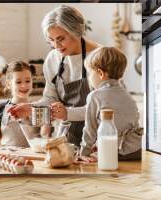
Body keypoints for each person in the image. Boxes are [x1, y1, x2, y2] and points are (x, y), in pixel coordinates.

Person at [8, 5, 101, 146]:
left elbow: (103, 107)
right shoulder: (53, 58)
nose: (56, 46)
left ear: (76, 31)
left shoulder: (101, 56)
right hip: (66, 140)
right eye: (51, 40)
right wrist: (32, 109)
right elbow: (51, 99)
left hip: (97, 142)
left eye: (61, 38)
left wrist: (67, 113)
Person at [78, 47, 143, 162]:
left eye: (90, 74)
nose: (89, 78)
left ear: (100, 73)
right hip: (137, 149)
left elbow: (90, 129)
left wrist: (84, 152)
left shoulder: (95, 96)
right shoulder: (128, 95)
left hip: (115, 152)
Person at [0, 61, 35, 147]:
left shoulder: (36, 108)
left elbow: (42, 136)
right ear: (8, 84)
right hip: (8, 155)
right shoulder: (1, 107)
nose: (24, 85)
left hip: (31, 155)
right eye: (18, 82)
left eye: (28, 81)